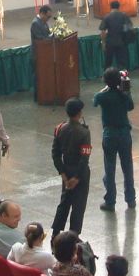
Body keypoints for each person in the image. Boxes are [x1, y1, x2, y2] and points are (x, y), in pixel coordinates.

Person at [94, 67, 135, 212]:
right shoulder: (124, 96)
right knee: (127, 167)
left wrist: (107, 87)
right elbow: (130, 106)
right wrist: (125, 90)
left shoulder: (102, 96)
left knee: (110, 168)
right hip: (124, 133)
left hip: (110, 134)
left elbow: (95, 100)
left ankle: (110, 201)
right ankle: (131, 200)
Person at [51, 97, 91, 236]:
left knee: (64, 203)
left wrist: (63, 174)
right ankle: (73, 237)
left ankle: (55, 235)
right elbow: (84, 158)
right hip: (80, 173)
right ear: (79, 113)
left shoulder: (59, 128)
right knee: (78, 206)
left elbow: (55, 154)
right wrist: (77, 177)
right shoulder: (84, 132)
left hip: (66, 171)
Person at [99, 0, 133, 70]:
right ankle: (123, 78)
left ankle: (108, 77)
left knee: (108, 62)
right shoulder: (124, 16)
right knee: (122, 63)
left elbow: (103, 31)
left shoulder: (107, 17)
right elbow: (129, 28)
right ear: (119, 7)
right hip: (122, 42)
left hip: (110, 42)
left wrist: (103, 43)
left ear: (110, 7)